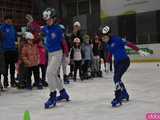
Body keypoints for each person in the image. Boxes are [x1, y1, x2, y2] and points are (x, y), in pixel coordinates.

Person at [101, 26, 150, 107]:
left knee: (116, 78)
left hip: (124, 61)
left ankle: (118, 97)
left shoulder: (117, 39)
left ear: (108, 35)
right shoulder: (108, 45)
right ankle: (124, 94)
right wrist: (107, 64)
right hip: (116, 63)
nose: (103, 39)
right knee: (117, 79)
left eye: (104, 37)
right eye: (102, 38)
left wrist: (139, 50)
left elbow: (129, 44)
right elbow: (109, 55)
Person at [42, 8, 70, 109]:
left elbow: (63, 41)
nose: (48, 22)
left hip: (57, 53)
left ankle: (52, 96)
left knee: (49, 73)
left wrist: (66, 53)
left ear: (54, 19)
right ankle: (63, 93)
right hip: (50, 54)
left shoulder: (58, 29)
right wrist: (31, 24)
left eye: (49, 20)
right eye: (46, 20)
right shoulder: (46, 28)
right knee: (53, 75)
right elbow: (38, 29)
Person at [0, 16, 18, 88]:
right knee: (5, 67)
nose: (9, 21)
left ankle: (13, 81)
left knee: (12, 67)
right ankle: (5, 81)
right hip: (5, 50)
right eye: (7, 20)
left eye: (10, 20)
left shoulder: (13, 28)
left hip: (13, 50)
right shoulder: (2, 27)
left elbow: (15, 38)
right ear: (4, 20)